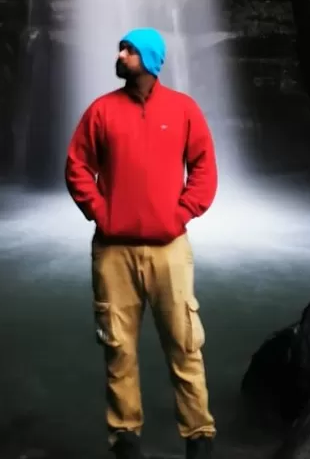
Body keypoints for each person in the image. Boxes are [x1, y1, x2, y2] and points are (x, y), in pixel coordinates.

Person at [65, 28, 218, 459]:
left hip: (170, 249)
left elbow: (204, 166)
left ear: (148, 59)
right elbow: (77, 165)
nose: (120, 54)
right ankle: (125, 438)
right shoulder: (101, 111)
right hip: (113, 251)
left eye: (128, 50)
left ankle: (198, 436)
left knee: (185, 345)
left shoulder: (183, 110)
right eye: (121, 48)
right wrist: (100, 211)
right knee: (118, 348)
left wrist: (182, 213)